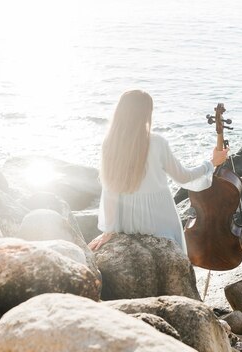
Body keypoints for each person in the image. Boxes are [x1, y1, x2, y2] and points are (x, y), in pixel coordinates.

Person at [88, 90, 229, 253]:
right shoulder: (157, 142)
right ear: (146, 114)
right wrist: (211, 163)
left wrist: (110, 230)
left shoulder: (109, 143)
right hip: (159, 220)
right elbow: (184, 177)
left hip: (126, 223)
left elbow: (109, 191)